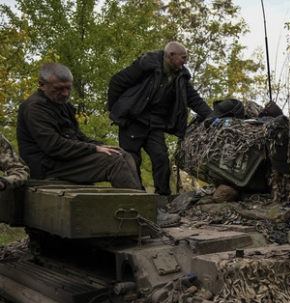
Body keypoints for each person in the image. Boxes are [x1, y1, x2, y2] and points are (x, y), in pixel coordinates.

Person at [108, 42, 213, 196]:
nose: (185, 62)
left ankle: (163, 198)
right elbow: (116, 81)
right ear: (171, 55)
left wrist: (212, 116)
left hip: (155, 124)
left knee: (161, 159)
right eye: (183, 58)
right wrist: (118, 109)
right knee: (131, 160)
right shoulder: (145, 66)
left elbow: (194, 99)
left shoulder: (180, 76)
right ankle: (137, 196)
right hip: (133, 121)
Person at [16, 62, 142, 190]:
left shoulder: (61, 104)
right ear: (42, 85)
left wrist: (99, 145)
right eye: (59, 89)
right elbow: (54, 146)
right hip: (46, 166)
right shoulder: (36, 108)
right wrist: (93, 149)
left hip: (62, 160)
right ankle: (135, 205)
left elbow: (77, 135)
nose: (65, 93)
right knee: (114, 162)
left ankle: (141, 201)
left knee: (122, 154)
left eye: (68, 88)